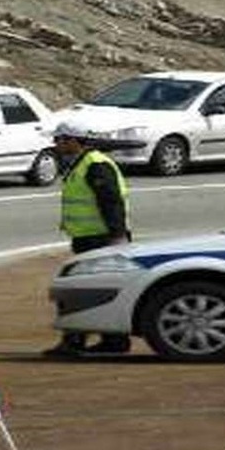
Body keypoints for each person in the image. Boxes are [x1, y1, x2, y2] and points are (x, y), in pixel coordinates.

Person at [43, 121, 134, 357]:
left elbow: (111, 201)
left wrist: (117, 237)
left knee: (82, 290)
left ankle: (77, 341)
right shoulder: (82, 163)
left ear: (74, 140)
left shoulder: (95, 165)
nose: (57, 144)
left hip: (102, 239)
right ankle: (111, 341)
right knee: (94, 288)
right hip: (89, 238)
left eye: (60, 139)